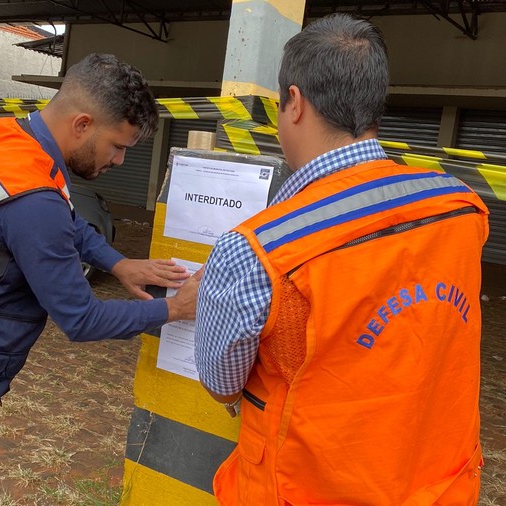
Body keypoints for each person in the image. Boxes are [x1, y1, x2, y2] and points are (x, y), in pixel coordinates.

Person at [195, 13, 489, 506]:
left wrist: (209, 299)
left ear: (294, 102)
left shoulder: (258, 250)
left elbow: (222, 385)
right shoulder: (460, 207)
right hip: (440, 486)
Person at [0, 53, 201, 505]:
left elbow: (65, 219)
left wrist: (118, 263)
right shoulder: (33, 198)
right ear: (82, 124)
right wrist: (172, 309)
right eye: (117, 146)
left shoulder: (2, 138)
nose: (121, 160)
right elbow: (80, 318)